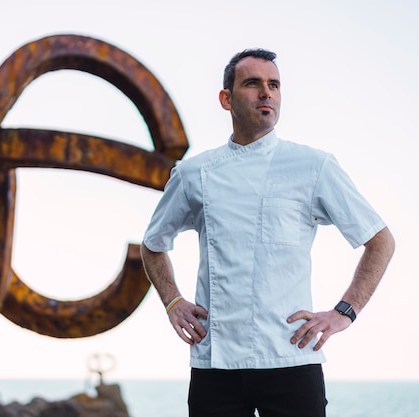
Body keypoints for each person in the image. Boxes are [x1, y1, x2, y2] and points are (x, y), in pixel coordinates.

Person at [140, 48, 395, 417]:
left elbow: (380, 240)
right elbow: (152, 245)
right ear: (226, 99)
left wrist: (345, 312)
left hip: (291, 358)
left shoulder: (314, 166)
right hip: (215, 365)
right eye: (253, 84)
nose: (267, 93)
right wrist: (172, 301)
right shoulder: (193, 173)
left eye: (274, 84)